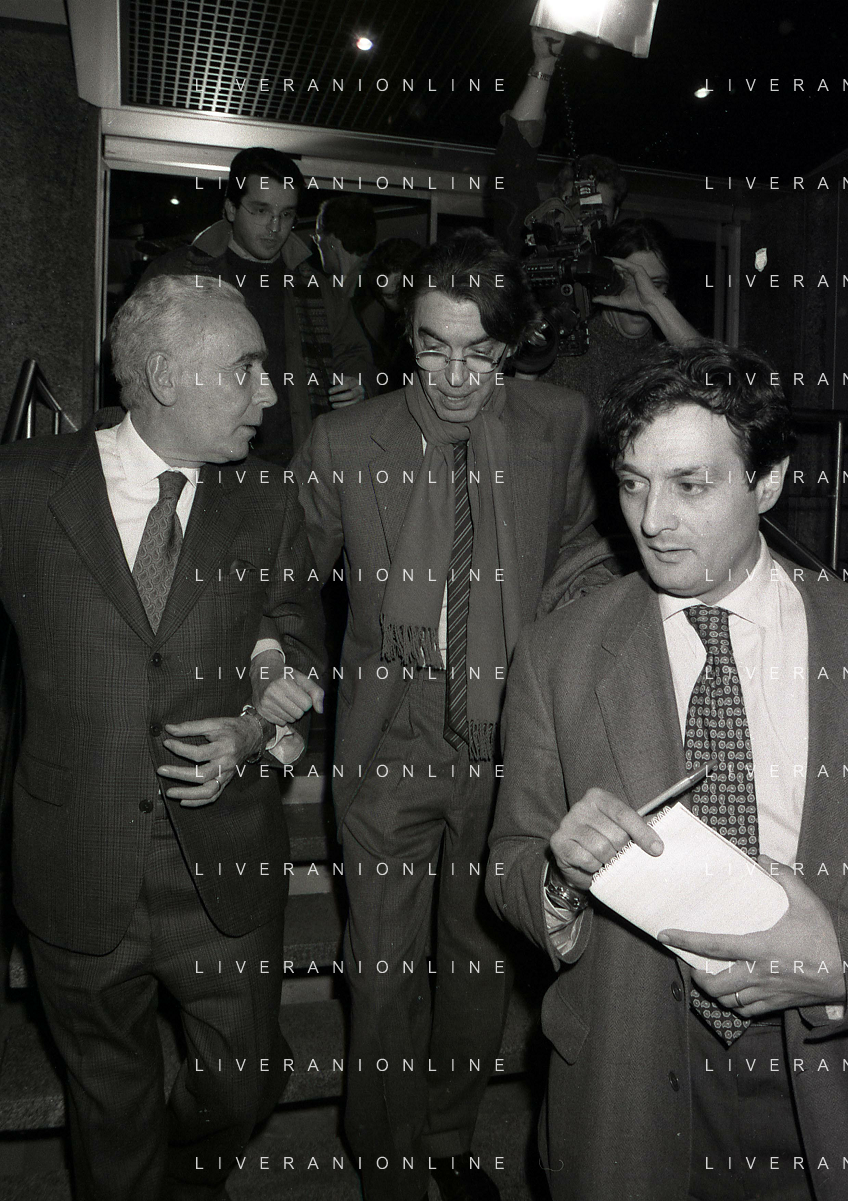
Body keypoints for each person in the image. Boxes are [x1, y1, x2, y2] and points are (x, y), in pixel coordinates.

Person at [252, 226, 617, 1201]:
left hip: (510, 737)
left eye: (479, 351)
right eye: (431, 346)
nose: (455, 376)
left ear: (513, 342)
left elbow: (579, 550)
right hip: (391, 734)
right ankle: (385, 1160)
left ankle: (450, 1134)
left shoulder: (558, 422)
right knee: (379, 968)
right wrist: (280, 665)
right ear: (405, 336)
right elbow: (285, 582)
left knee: (477, 959)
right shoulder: (345, 442)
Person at [487, 341, 848, 1201]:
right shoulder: (557, 653)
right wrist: (561, 877)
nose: (652, 520)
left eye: (691, 485)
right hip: (631, 1072)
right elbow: (508, 865)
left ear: (768, 481)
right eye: (633, 483)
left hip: (824, 1062)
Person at [0, 274, 325, 1200]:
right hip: (75, 861)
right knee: (110, 1106)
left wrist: (257, 726)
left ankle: (187, 1175)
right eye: (247, 369)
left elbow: (298, 645)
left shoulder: (267, 499)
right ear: (166, 375)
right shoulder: (21, 486)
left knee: (246, 1079)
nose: (272, 393)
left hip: (222, 867)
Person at [142, 146, 376, 465]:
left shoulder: (318, 287)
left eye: (286, 214)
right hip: (201, 461)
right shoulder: (176, 275)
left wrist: (357, 384)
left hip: (296, 465)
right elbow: (134, 364)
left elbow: (355, 355)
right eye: (261, 211)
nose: (274, 227)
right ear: (230, 208)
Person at [535, 217, 703, 409]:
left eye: (655, 284)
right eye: (627, 279)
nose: (639, 292)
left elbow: (717, 378)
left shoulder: (670, 357)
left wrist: (654, 303)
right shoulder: (571, 351)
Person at [489, 26, 628, 259]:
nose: (585, 218)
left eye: (599, 209)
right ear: (555, 205)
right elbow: (513, 161)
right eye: (574, 203)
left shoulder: (625, 271)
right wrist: (544, 63)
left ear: (614, 216)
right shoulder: (528, 255)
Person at [357, 236, 422, 391]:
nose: (403, 302)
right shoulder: (371, 324)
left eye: (407, 290)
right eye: (392, 296)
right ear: (381, 299)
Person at [314, 193, 378, 302]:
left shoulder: (364, 291)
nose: (317, 243)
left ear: (331, 242)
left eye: (317, 236)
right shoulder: (372, 278)